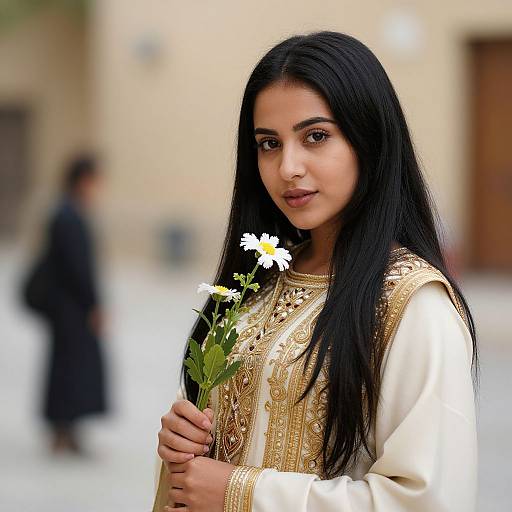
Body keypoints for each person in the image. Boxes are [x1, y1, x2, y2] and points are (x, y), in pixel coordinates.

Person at [153, 31, 478, 512]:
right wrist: (183, 442)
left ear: (369, 139)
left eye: (316, 137)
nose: (288, 167)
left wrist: (241, 493)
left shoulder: (413, 305)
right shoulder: (254, 285)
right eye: (268, 143)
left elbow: (427, 501)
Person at [39, 154, 108, 454]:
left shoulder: (67, 213)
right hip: (72, 310)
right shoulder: (68, 217)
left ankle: (67, 430)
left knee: (69, 368)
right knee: (70, 369)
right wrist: (93, 305)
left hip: (67, 309)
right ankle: (62, 431)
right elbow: (78, 268)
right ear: (83, 180)